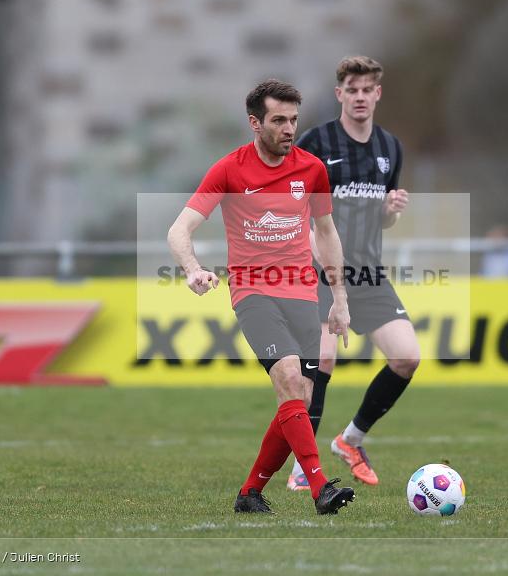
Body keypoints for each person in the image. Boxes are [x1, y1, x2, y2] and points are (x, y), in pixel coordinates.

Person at [167, 79, 356, 515]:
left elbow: (326, 234)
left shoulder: (311, 169)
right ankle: (321, 488)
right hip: (252, 291)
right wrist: (194, 270)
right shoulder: (229, 169)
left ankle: (250, 493)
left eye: (293, 119)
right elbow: (179, 230)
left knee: (300, 399)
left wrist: (340, 299)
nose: (289, 128)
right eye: (279, 120)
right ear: (255, 123)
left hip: (303, 292)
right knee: (289, 377)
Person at [287, 56, 419, 490]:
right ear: (340, 93)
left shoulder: (390, 148)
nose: (360, 97)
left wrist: (389, 213)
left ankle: (350, 439)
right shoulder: (316, 142)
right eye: (352, 89)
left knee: (406, 357)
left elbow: (382, 221)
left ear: (377, 93)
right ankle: (302, 470)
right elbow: (292, 204)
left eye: (368, 89)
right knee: (323, 358)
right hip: (320, 269)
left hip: (367, 272)